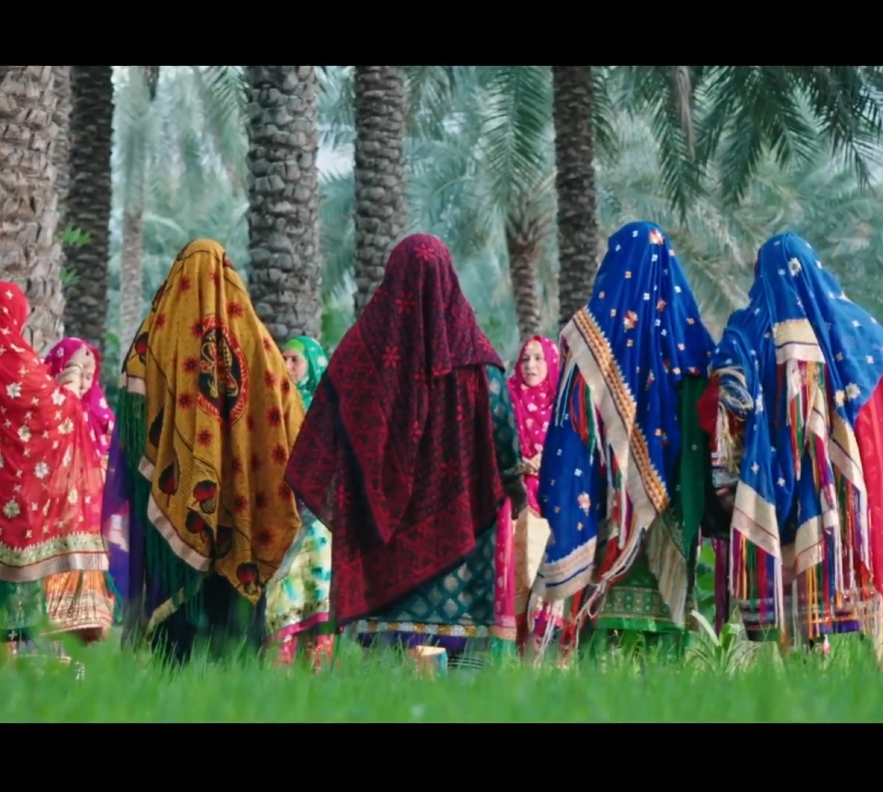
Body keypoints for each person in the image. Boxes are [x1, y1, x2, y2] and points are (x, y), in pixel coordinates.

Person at [286, 233, 528, 664]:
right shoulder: (478, 364)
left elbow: (319, 440)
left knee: (382, 676)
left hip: (381, 546)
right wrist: (514, 487)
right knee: (463, 676)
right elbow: (503, 433)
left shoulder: (357, 358)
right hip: (461, 545)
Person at [701, 233, 883, 669]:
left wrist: (735, 474)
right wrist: (881, 479)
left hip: (774, 488)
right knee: (837, 546)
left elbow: (725, 399)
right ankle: (872, 664)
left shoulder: (748, 329)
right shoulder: (861, 334)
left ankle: (800, 657)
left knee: (788, 554)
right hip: (843, 495)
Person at [107, 239, 305, 665]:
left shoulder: (152, 341)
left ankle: (173, 674)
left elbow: (133, 425)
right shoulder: (259, 346)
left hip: (172, 507)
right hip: (243, 503)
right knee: (235, 635)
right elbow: (291, 419)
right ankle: (236, 678)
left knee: (174, 633)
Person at [532, 222, 718, 664]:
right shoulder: (693, 341)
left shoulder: (589, 341)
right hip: (672, 503)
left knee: (601, 626)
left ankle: (595, 685)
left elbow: (569, 434)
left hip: (610, 511)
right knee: (665, 630)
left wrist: (570, 504)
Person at [0, 281, 108, 668]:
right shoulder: (14, 358)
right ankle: (29, 665)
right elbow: (50, 409)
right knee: (23, 593)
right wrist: (70, 380)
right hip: (17, 505)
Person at [38, 336, 118, 646]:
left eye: (89, 375)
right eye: (75, 371)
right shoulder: (46, 412)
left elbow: (114, 458)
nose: (83, 382)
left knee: (89, 622)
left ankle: (82, 656)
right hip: (55, 523)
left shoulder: (100, 416)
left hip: (91, 523)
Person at [265, 335, 334, 670]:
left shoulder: (327, 411)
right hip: (281, 514)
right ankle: (280, 669)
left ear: (314, 365)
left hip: (319, 521)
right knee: (282, 587)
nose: (288, 366)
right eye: (284, 358)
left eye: (296, 360)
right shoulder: (272, 406)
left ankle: (317, 669)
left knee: (318, 587)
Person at [497, 335, 563, 655]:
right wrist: (521, 463)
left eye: (538, 358)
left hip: (551, 504)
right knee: (515, 577)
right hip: (513, 503)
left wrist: (547, 461)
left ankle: (540, 655)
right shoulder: (507, 401)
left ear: (552, 363)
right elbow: (493, 445)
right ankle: (511, 654)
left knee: (543, 577)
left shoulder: (563, 406)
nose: (530, 365)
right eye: (525, 358)